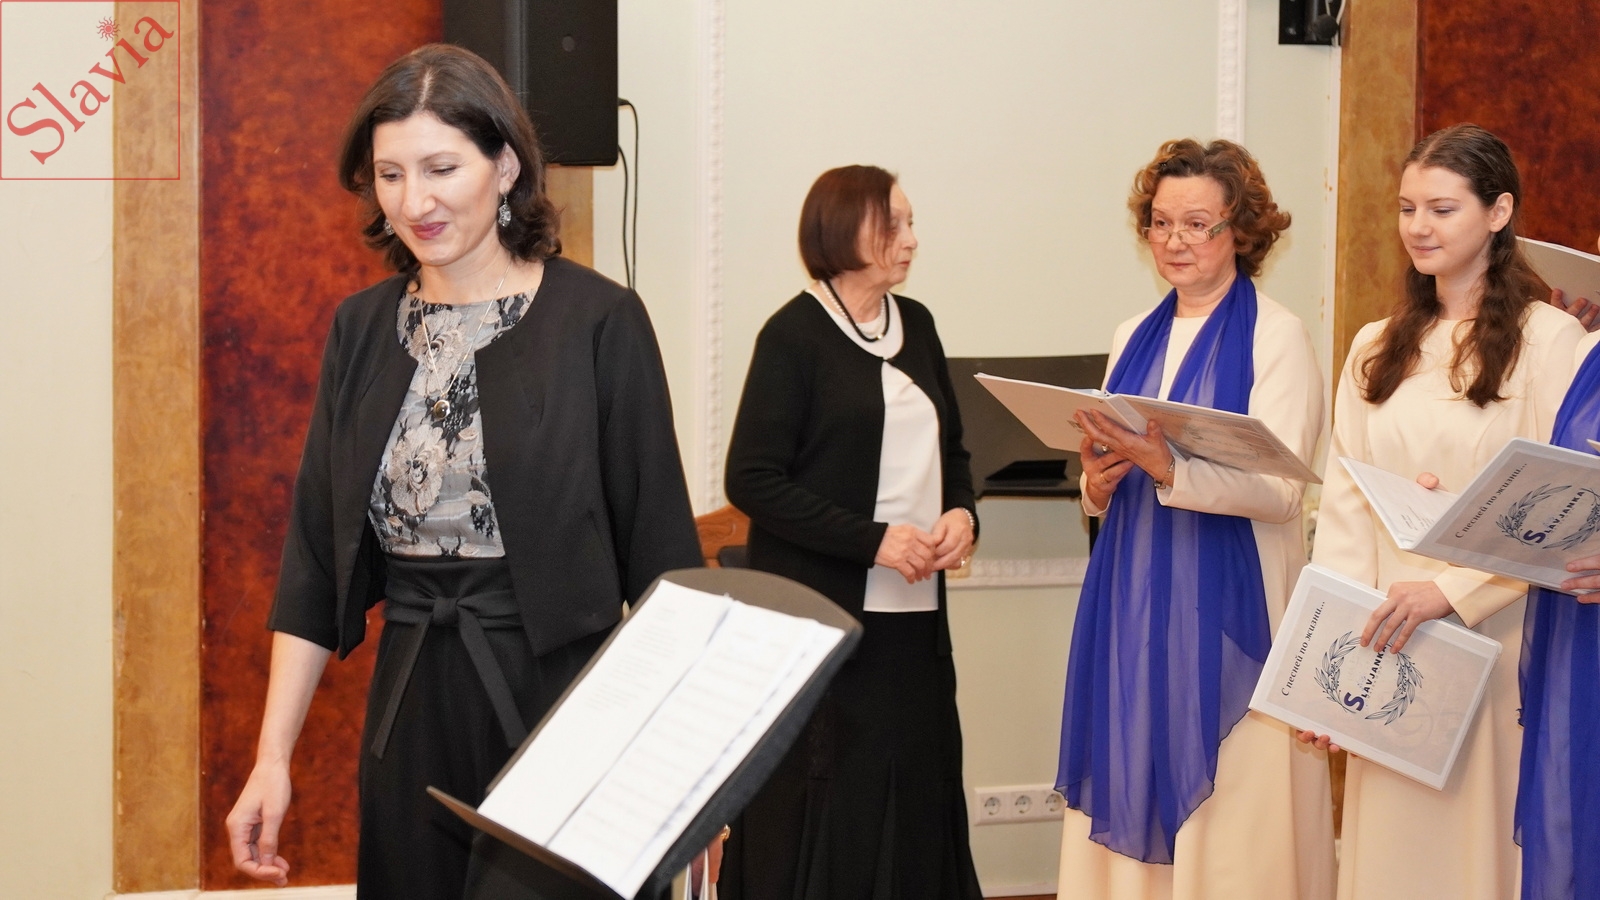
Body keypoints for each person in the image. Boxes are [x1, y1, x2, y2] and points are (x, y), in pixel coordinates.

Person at [222, 44, 702, 898]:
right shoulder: (361, 329)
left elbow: (664, 562)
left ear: (505, 165)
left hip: (567, 708)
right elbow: (314, 563)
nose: (415, 202)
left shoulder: (600, 322)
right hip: (410, 707)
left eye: (441, 168)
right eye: (391, 174)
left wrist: (686, 774)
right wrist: (272, 760)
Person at [1306, 123, 1585, 899]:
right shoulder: (1374, 346)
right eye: (1407, 208)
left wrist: (1451, 592)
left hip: (1497, 629)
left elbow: (1561, 505)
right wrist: (1332, 655)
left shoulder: (1552, 340)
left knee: (1479, 854)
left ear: (1498, 213)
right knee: (1394, 857)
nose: (1419, 227)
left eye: (1442, 208)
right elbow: (1347, 513)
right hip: (1386, 637)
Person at [1055, 138, 1334, 899]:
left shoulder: (1277, 335)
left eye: (1197, 224)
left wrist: (1170, 469)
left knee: (1237, 810)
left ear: (1240, 231)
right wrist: (1097, 484)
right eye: (1160, 222)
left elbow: (1283, 493)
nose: (1174, 240)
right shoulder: (1130, 334)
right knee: (1132, 753)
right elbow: (1110, 467)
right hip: (1138, 596)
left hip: (1237, 608)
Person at [720, 165, 982, 899]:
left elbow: (955, 453)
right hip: (825, 622)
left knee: (916, 789)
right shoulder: (793, 335)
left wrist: (963, 515)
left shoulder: (918, 323)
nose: (912, 239)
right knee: (828, 800)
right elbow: (752, 479)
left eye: (910, 223)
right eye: (894, 224)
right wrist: (875, 541)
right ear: (844, 230)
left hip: (915, 620)